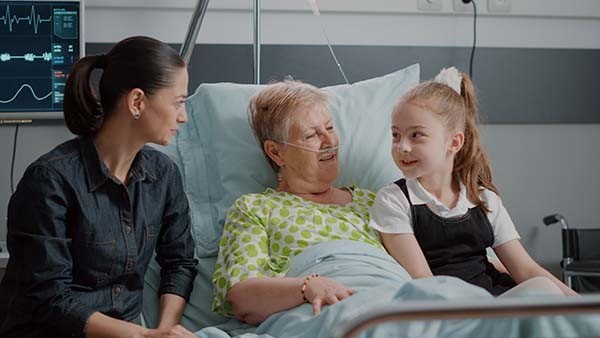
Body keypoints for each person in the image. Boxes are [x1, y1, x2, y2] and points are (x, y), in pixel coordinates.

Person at [0, 36, 199, 338]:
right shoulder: (50, 180)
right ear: (137, 102)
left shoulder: (164, 175)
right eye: (178, 102)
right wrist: (143, 336)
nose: (182, 117)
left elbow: (179, 262)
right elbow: (49, 299)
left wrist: (165, 330)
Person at [369, 67, 576, 297]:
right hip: (451, 310)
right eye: (396, 135)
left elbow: (526, 270)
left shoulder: (484, 199)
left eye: (416, 135)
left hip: (498, 298)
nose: (402, 147)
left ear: (454, 142)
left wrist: (583, 307)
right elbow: (423, 282)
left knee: (543, 288)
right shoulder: (394, 201)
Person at [211, 80, 384, 324]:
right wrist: (307, 287)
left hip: (387, 303)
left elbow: (418, 275)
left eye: (330, 127)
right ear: (276, 152)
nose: (330, 142)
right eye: (312, 134)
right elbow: (241, 296)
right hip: (319, 316)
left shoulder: (374, 202)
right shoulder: (255, 209)